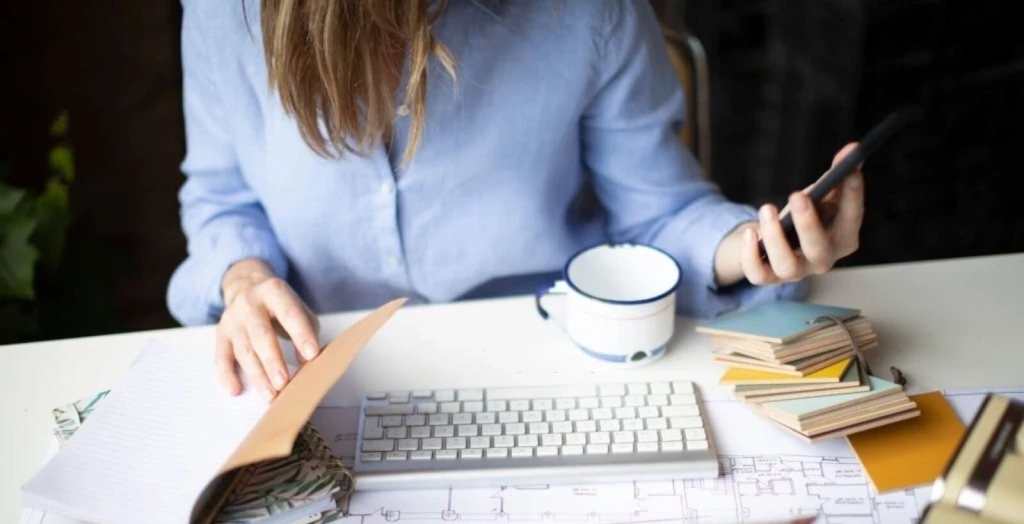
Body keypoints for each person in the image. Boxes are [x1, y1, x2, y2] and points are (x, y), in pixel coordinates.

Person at [169, 0, 865, 401]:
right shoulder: (222, 13)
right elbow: (222, 201)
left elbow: (658, 217)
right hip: (324, 383)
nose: (390, 67)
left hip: (553, 367)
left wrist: (754, 249)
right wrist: (244, 278)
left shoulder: (584, 12)